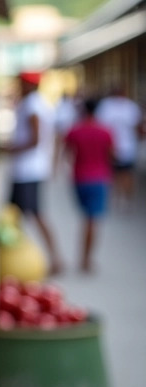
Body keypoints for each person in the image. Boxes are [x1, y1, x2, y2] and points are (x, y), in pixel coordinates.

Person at [0, 71, 61, 275]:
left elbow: (35, 140)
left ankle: (55, 258)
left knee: (36, 214)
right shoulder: (33, 102)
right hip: (26, 169)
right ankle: (15, 258)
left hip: (29, 170)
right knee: (14, 215)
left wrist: (9, 149)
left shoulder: (33, 105)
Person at [62, 97, 115, 273]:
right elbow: (112, 155)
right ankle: (86, 260)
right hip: (98, 179)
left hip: (79, 178)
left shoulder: (75, 130)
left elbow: (66, 152)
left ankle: (83, 257)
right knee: (92, 220)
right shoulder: (105, 131)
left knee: (85, 218)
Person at [94, 84, 143, 208]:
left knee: (114, 173)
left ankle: (118, 198)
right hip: (127, 146)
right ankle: (125, 199)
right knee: (126, 173)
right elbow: (138, 127)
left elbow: (100, 125)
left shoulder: (106, 106)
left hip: (112, 146)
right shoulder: (131, 106)